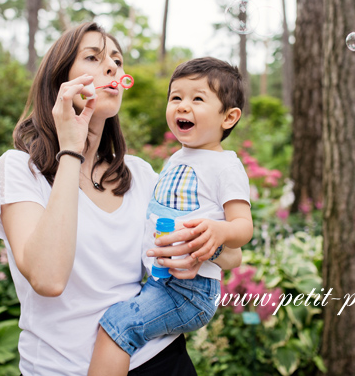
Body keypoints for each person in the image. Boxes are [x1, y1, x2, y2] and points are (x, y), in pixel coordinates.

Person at [0, 22, 242, 376]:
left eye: (118, 61)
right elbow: (48, 279)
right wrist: (71, 151)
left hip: (159, 359)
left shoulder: (139, 175)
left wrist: (206, 245)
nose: (113, 68)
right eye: (93, 57)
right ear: (60, 81)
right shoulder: (19, 169)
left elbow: (232, 255)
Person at [88, 57, 254, 376]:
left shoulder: (226, 167)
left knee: (117, 326)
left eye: (197, 99)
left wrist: (218, 233)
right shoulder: (177, 158)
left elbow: (243, 227)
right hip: (161, 282)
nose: (182, 106)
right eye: (176, 97)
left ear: (229, 117)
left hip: (190, 290)